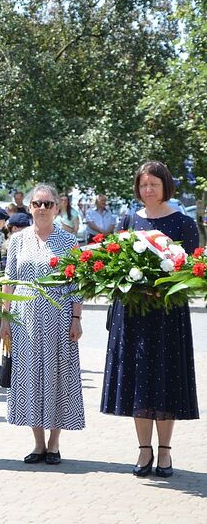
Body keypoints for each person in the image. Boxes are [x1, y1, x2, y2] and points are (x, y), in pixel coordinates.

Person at [102, 161, 199, 478]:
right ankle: (144, 450)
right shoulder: (129, 220)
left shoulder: (183, 222)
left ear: (165, 186)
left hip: (168, 315)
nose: (148, 190)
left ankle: (165, 452)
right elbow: (115, 261)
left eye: (154, 185)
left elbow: (190, 269)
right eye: (143, 185)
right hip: (134, 314)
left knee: (166, 380)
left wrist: (166, 287)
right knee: (138, 381)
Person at [0, 184, 84, 466]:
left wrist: (76, 318)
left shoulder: (68, 242)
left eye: (48, 204)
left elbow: (76, 285)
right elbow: (9, 280)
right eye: (37, 203)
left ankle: (54, 443)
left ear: (57, 208)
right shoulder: (17, 241)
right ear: (30, 207)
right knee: (30, 379)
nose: (42, 209)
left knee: (58, 379)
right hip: (25, 322)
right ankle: (37, 443)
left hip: (59, 321)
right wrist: (5, 319)